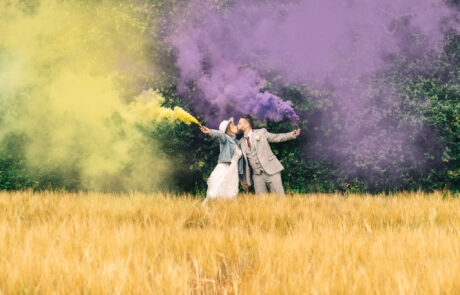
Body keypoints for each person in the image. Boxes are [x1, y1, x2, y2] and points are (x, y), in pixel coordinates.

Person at [237, 115, 300, 195]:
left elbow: (276, 137)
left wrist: (291, 135)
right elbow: (243, 163)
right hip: (257, 176)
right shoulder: (241, 142)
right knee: (262, 204)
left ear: (247, 124)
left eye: (239, 123)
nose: (237, 126)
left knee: (280, 199)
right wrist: (244, 179)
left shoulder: (261, 132)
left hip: (272, 170)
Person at [200, 117, 243, 204]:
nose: (235, 126)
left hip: (233, 171)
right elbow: (220, 135)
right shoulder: (225, 139)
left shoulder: (237, 142)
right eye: (232, 126)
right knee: (215, 191)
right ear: (228, 130)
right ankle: (204, 208)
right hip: (224, 168)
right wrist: (211, 131)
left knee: (230, 194)